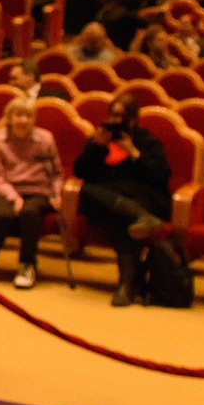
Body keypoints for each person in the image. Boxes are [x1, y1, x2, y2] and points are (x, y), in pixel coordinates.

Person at [74, 91, 175, 307]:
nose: (116, 121)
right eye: (113, 115)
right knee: (88, 190)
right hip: (108, 198)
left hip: (142, 197)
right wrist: (95, 148)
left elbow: (161, 176)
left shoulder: (147, 140)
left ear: (133, 120)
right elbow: (80, 172)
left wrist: (134, 153)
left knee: (122, 219)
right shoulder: (101, 138)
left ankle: (126, 286)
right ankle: (140, 217)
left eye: (121, 117)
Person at [0, 100, 62, 289]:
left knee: (30, 213)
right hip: (6, 188)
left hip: (38, 190)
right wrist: (14, 197)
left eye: (28, 116)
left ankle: (27, 265)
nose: (23, 120)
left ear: (34, 119)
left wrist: (56, 194)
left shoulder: (45, 139)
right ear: (9, 118)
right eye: (19, 115)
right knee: (2, 214)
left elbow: (56, 173)